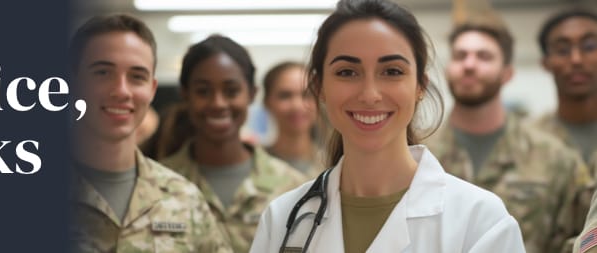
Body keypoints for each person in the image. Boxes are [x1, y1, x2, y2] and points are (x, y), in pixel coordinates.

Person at [249, 0, 524, 252]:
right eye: (347, 72)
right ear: (319, 87)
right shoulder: (284, 219)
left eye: (392, 71)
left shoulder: (480, 221)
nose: (370, 94)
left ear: (420, 86)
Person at [67, 14, 232, 252]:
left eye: (137, 76)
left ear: (152, 89)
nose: (121, 91)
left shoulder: (184, 199)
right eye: (103, 72)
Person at [426, 22, 593, 253]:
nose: (469, 64)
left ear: (507, 73)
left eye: (484, 56)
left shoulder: (557, 160)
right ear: (447, 69)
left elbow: (582, 239)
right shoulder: (418, 154)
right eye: (460, 56)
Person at [158, 35, 309, 252]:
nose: (218, 103)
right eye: (203, 91)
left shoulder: (294, 189)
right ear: (185, 95)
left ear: (252, 94)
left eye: (231, 91)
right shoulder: (157, 186)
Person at [534, 10, 597, 173]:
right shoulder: (525, 140)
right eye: (562, 50)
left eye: (589, 47)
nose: (576, 59)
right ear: (545, 63)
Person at [262, 61, 325, 176]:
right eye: (285, 96)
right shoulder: (256, 165)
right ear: (267, 102)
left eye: (307, 95)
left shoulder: (337, 164)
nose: (297, 106)